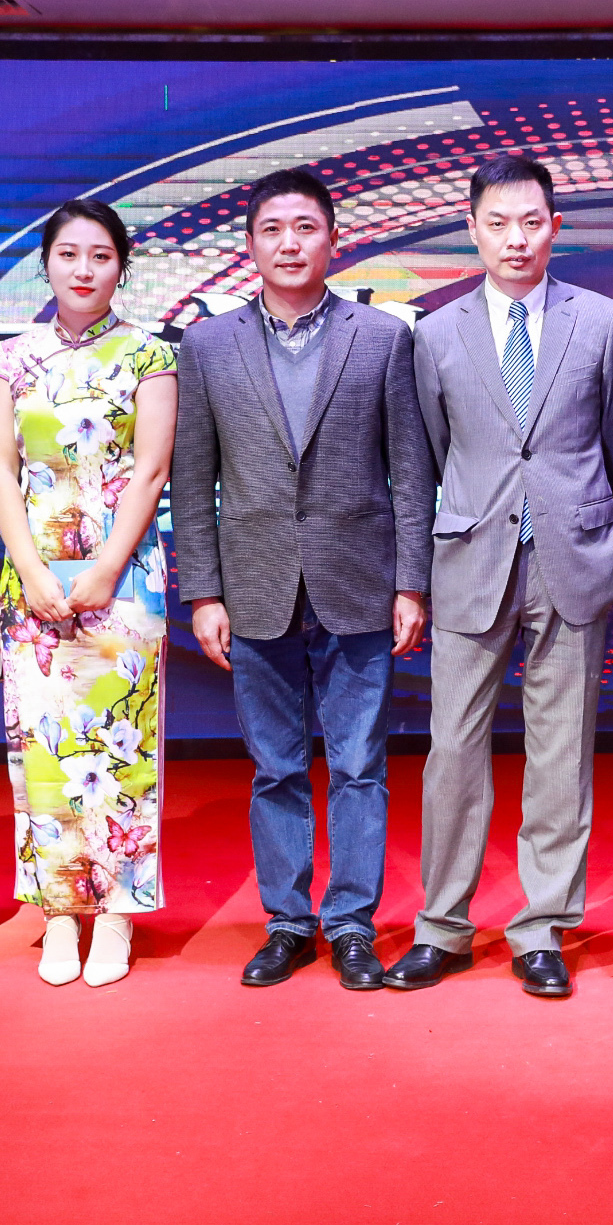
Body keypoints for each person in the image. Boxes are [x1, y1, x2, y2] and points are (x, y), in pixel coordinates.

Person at [172, 167, 434, 991]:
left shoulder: (382, 337)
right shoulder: (207, 346)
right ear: (249, 245)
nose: (290, 244)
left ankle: (352, 924)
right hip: (253, 584)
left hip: (360, 581)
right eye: (273, 230)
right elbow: (192, 478)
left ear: (333, 239)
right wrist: (203, 591)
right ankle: (287, 922)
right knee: (276, 767)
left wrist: (412, 583)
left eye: (305, 228)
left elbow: (411, 472)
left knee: (359, 765)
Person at [384, 155, 613, 1001]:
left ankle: (542, 928)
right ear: (473, 228)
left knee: (560, 753)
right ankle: (442, 927)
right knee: (452, 749)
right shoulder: (435, 333)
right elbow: (422, 461)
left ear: (555, 227)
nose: (516, 238)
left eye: (532, 222)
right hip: (469, 560)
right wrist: (411, 579)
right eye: (498, 223)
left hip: (574, 559)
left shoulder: (600, 321)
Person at [0, 199, 177, 988]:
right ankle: (61, 913)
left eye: (100, 255)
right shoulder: (12, 359)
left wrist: (104, 567)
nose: (84, 269)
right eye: (68, 254)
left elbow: (152, 470)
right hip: (31, 583)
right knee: (43, 754)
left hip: (122, 581)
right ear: (46, 264)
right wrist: (32, 570)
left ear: (121, 267)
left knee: (121, 748)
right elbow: (1, 470)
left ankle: (119, 914)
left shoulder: (150, 355)